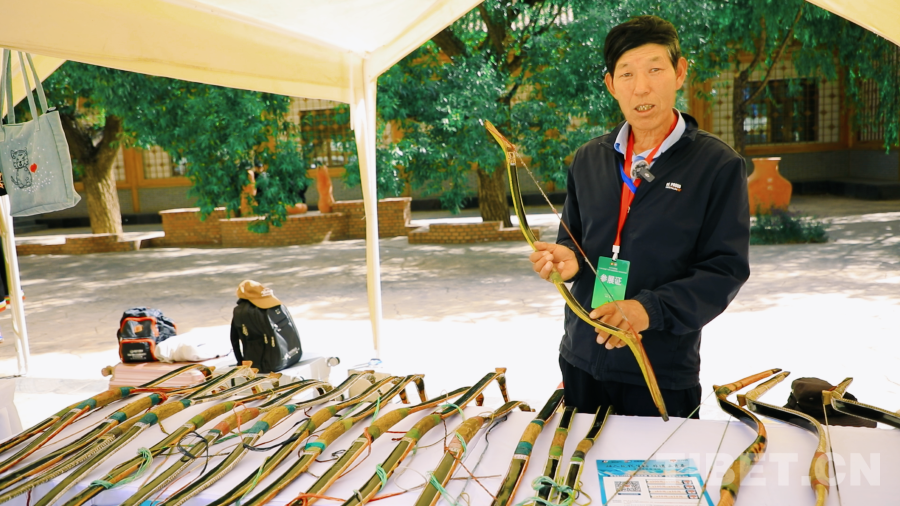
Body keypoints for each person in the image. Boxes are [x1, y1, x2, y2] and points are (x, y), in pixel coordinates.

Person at [529, 15, 750, 418]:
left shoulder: (717, 166)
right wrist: (568, 260)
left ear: (679, 72)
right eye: (627, 73)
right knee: (574, 456)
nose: (641, 87)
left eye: (654, 69)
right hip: (582, 356)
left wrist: (648, 310)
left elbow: (724, 270)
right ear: (611, 84)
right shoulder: (589, 158)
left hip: (659, 369)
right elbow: (572, 238)